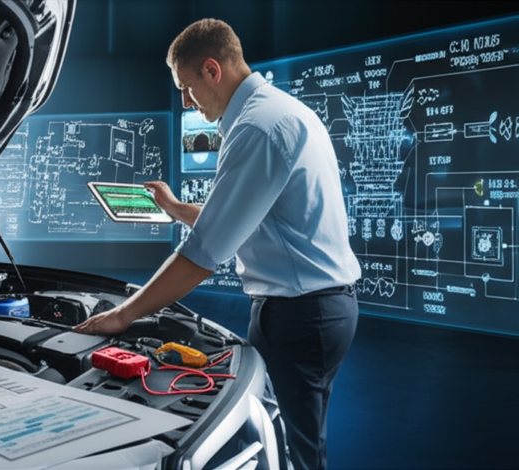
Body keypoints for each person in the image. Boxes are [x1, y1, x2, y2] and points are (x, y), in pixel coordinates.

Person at [74, 18, 361, 470]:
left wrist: (123, 314)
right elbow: (244, 218)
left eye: (187, 88)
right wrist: (175, 208)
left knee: (303, 450)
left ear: (212, 70)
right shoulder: (277, 112)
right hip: (304, 308)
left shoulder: (258, 127)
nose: (186, 101)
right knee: (278, 432)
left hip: (303, 314)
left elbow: (204, 252)